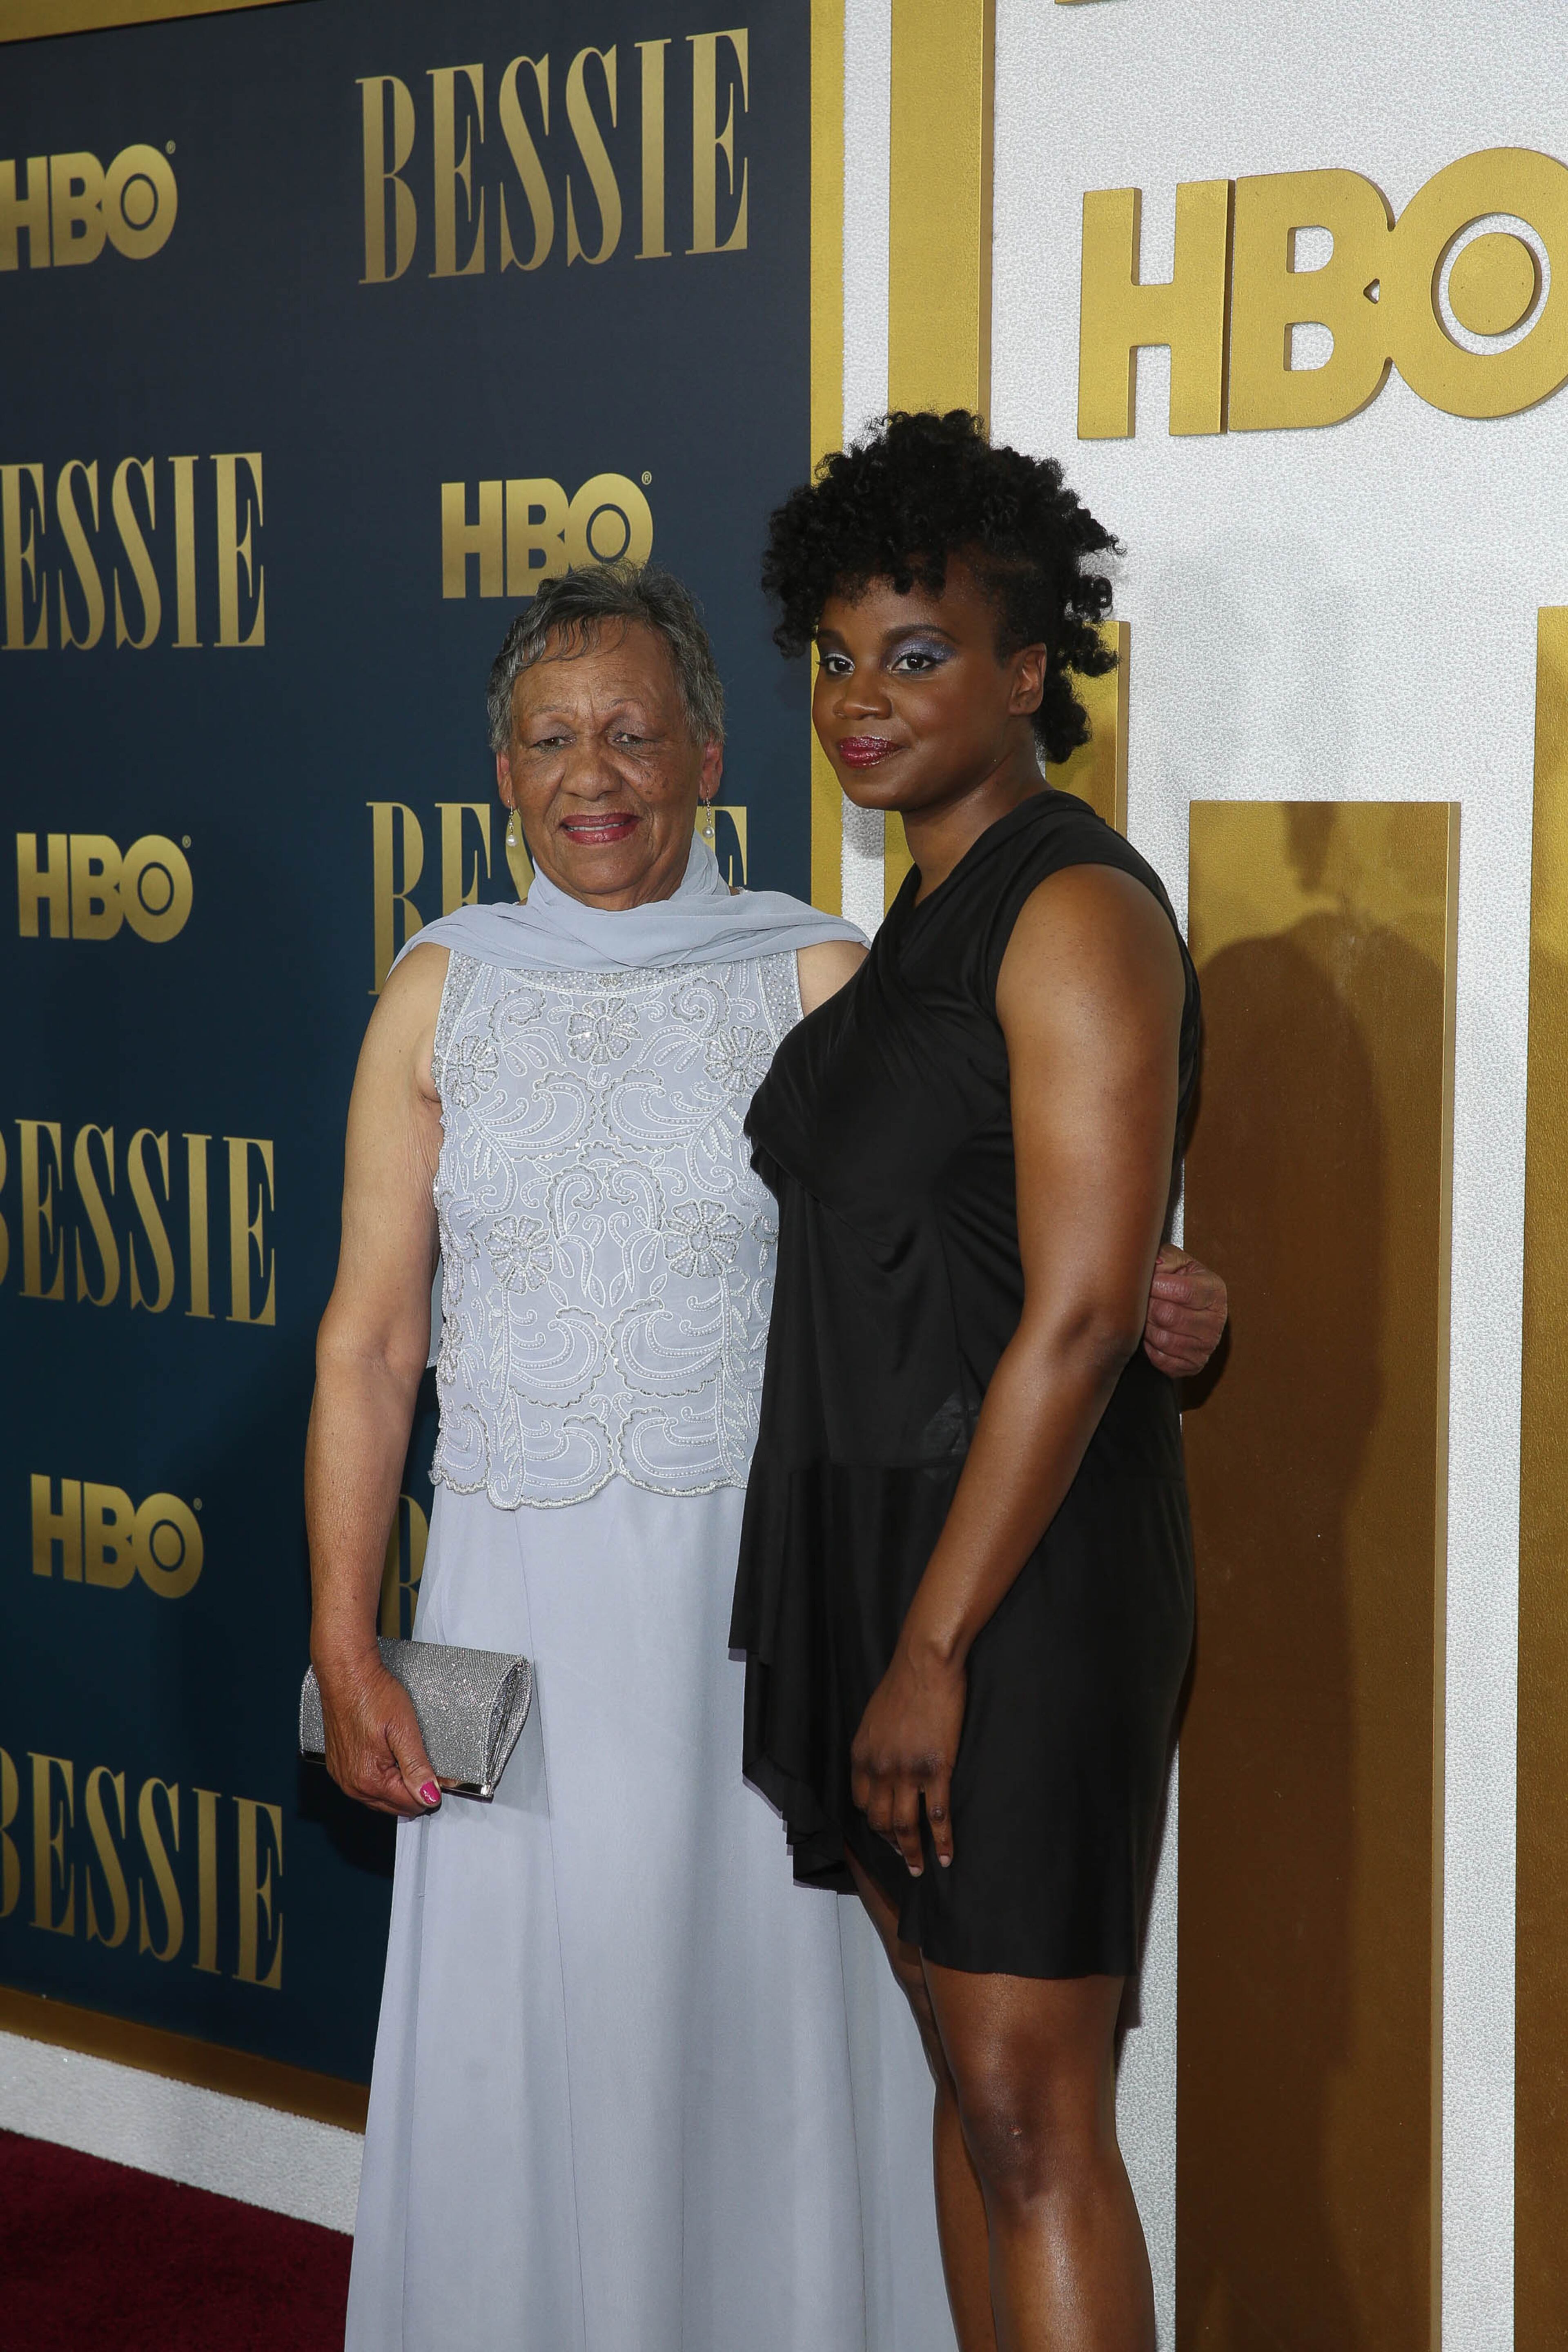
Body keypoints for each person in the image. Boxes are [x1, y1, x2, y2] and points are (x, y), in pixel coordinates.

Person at [306, 559, 1224, 2352]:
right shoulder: (437, 992)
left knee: (764, 2025)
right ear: (502, 777)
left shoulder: (816, 968)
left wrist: (1156, 1279)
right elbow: (370, 1342)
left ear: (713, 758)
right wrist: (348, 1642)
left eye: (639, 733)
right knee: (525, 2023)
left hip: (764, 1599)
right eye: (556, 739)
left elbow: (986, 1217)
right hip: (504, 1601)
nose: (599, 774)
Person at [731, 410, 1203, 2352]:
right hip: (882, 1540)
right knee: (963, 2075)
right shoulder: (917, 916)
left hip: (1013, 1577)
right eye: (836, 656)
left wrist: (933, 1644)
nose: (862, 698)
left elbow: (1085, 1318)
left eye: (918, 655)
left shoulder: (1072, 908)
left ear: (1031, 672)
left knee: (1035, 2117)